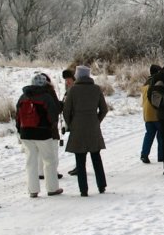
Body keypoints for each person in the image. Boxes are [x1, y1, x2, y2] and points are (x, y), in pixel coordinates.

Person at [16, 73, 63, 198]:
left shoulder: (23, 97)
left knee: (30, 162)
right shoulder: (46, 97)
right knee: (49, 161)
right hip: (43, 133)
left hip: (26, 133)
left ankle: (33, 190)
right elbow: (53, 114)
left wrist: (20, 131)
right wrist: (50, 127)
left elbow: (17, 117)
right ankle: (52, 188)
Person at [64, 65, 109, 196]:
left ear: (77, 76)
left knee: (80, 159)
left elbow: (66, 111)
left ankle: (83, 190)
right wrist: (97, 120)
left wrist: (72, 124)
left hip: (77, 127)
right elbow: (104, 109)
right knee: (96, 157)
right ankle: (102, 186)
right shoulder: (96, 89)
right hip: (93, 126)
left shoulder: (73, 90)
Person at [37, 72, 63, 181]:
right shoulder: (49, 91)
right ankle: (52, 172)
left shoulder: (31, 92)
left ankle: (40, 172)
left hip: (35, 127)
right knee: (52, 150)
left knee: (38, 150)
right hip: (50, 126)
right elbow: (56, 107)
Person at [140, 64, 164, 164]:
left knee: (149, 134)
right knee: (161, 136)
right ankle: (161, 156)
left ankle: (144, 154)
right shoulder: (158, 83)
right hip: (157, 113)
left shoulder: (145, 84)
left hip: (147, 113)